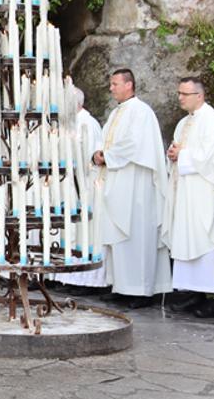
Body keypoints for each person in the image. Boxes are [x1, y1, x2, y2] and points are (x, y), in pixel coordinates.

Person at [93, 68, 171, 307]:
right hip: (117, 182)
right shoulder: (116, 113)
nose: (111, 88)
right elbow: (105, 140)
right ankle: (121, 286)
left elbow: (135, 145)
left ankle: (140, 290)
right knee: (118, 236)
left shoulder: (141, 112)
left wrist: (108, 155)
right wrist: (96, 154)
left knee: (137, 236)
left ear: (129, 85)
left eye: (115, 83)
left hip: (136, 186)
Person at [166, 77, 214, 318]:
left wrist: (184, 154)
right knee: (185, 239)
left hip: (203, 192)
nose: (180, 97)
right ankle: (191, 293)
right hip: (185, 192)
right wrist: (173, 154)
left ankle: (212, 297)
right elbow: (180, 152)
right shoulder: (183, 123)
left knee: (205, 242)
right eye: (179, 92)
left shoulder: (213, 121)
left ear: (199, 96)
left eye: (185, 93)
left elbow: (212, 157)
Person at [53, 87, 107, 288]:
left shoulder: (88, 123)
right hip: (65, 183)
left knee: (83, 231)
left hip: (82, 184)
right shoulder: (65, 122)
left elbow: (92, 157)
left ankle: (84, 280)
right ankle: (65, 277)